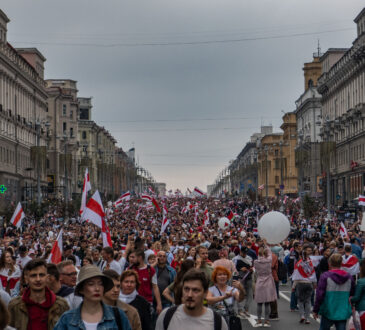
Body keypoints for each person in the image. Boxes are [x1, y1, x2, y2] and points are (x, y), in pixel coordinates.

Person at [54, 264, 131, 330]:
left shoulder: (118, 315)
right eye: (91, 284)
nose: (97, 289)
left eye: (100, 284)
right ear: (81, 289)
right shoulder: (67, 319)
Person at [155, 268, 228, 330]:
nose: (189, 295)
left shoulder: (217, 322)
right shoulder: (166, 316)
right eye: (186, 289)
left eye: (195, 290)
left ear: (205, 293)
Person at [8, 258, 69, 330]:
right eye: (33, 275)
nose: (38, 279)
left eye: (41, 275)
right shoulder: (14, 306)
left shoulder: (61, 305)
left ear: (47, 277)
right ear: (26, 278)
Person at [313, 253, 355, 330]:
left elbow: (320, 295)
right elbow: (352, 295)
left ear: (329, 263)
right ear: (341, 263)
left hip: (328, 309)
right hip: (343, 310)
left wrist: (316, 309)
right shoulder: (349, 277)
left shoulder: (325, 276)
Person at [128, 249, 163, 314]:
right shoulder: (130, 270)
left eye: (134, 257)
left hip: (147, 303)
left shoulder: (151, 270)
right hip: (132, 302)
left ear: (140, 257)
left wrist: (159, 304)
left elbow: (155, 287)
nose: (132, 259)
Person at [291, 246, 317, 324]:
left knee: (300, 300)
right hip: (309, 283)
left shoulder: (298, 264)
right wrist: (315, 283)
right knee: (308, 301)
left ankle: (302, 315)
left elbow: (295, 276)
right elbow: (313, 274)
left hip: (300, 284)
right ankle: (308, 318)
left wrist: (293, 286)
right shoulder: (311, 263)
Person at [253, 246, 277, 328]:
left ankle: (259, 320)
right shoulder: (269, 261)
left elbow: (255, 271)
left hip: (260, 281)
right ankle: (267, 320)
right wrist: (266, 245)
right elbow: (270, 253)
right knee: (267, 303)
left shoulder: (256, 262)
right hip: (268, 281)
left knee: (259, 303)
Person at [232, 246, 253, 318]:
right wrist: (240, 269)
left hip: (249, 278)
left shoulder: (249, 258)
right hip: (240, 278)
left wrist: (252, 270)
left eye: (246, 253)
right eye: (243, 253)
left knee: (250, 294)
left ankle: (246, 310)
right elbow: (233, 269)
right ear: (240, 252)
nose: (245, 254)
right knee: (240, 293)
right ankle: (240, 310)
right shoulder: (235, 259)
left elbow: (253, 267)